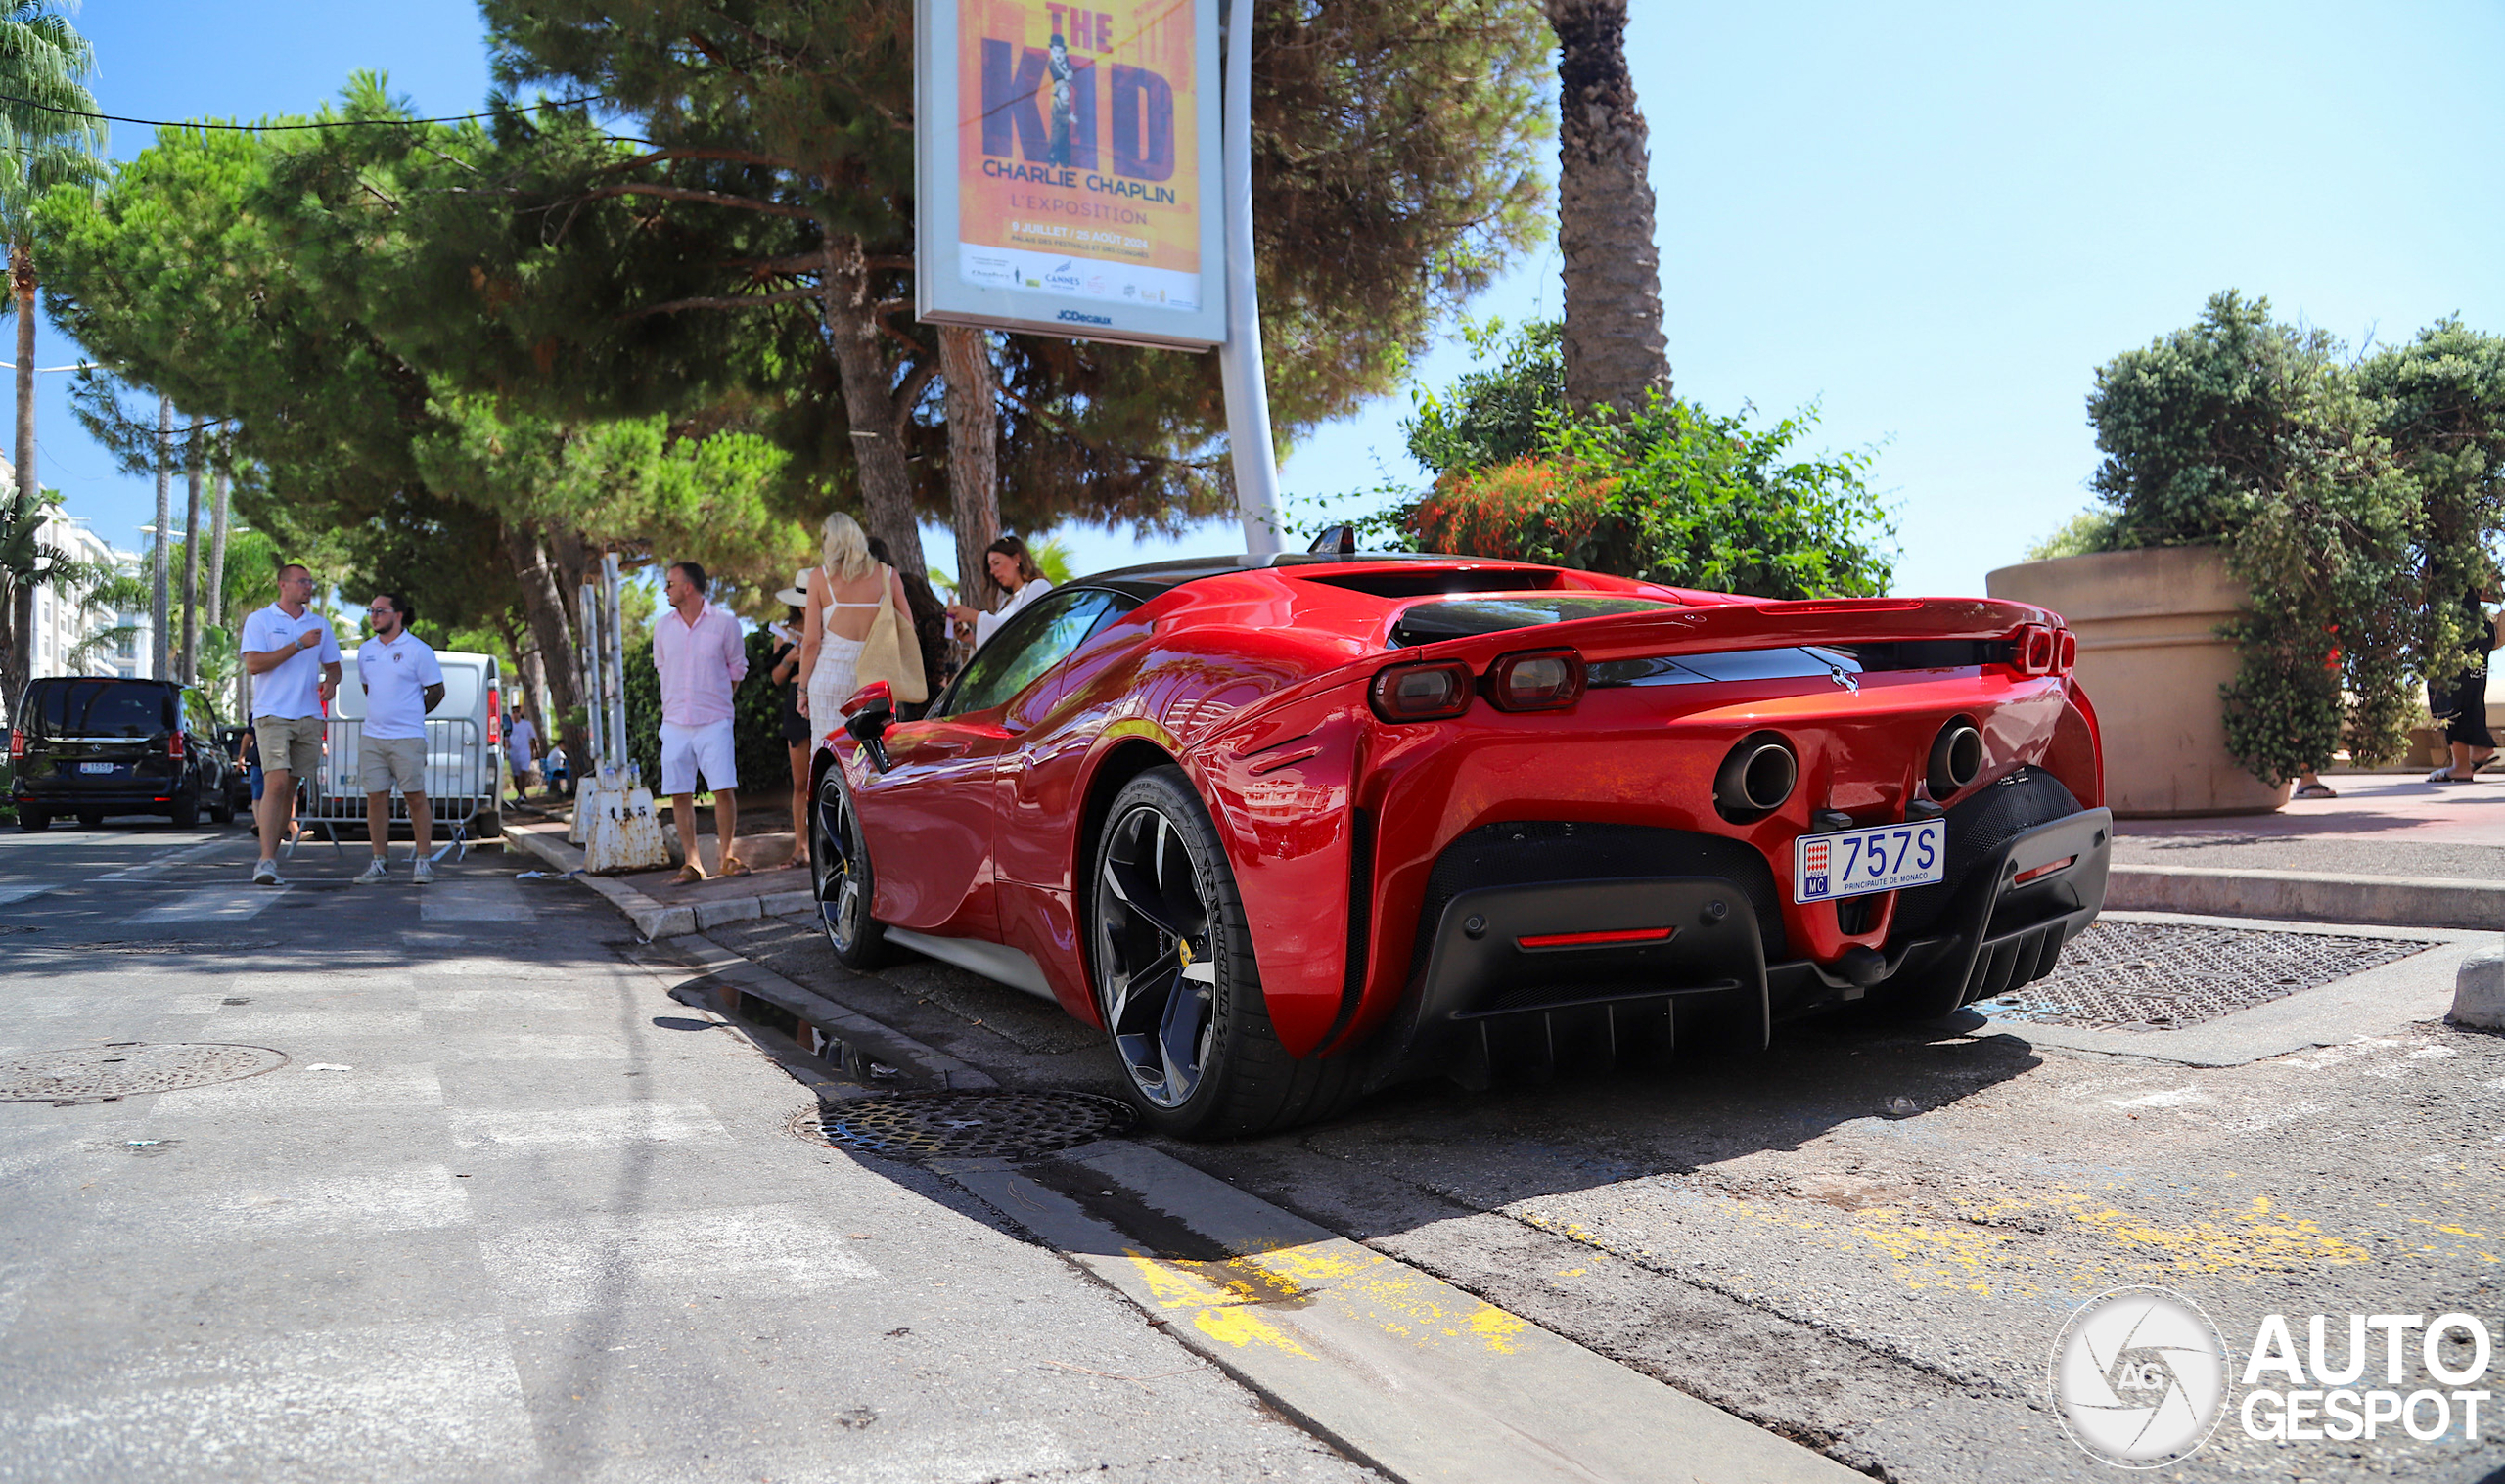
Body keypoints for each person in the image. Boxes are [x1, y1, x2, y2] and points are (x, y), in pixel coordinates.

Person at [239, 562, 342, 885]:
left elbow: (335, 667)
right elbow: (254, 664)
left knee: (290, 790)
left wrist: (332, 683)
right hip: (272, 714)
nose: (308, 587)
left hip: (309, 715)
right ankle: (265, 861)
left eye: (310, 582)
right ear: (283, 585)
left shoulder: (319, 624)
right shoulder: (261, 620)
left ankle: (273, 856)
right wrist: (297, 644)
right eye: (302, 582)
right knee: (277, 783)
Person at [654, 560, 751, 881]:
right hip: (675, 722)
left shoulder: (725, 623)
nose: (665, 589)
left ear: (688, 587)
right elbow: (662, 669)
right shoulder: (663, 627)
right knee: (678, 792)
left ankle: (727, 857)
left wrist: (718, 700)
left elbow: (737, 670)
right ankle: (692, 862)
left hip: (715, 720)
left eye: (670, 583)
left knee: (723, 789)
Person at [352, 591, 446, 885]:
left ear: (398, 615)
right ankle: (379, 861)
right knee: (375, 797)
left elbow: (436, 691)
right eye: (371, 610)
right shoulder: (365, 651)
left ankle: (422, 861)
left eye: (380, 610)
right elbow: (369, 688)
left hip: (407, 737)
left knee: (415, 797)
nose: (374, 616)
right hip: (372, 737)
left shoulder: (418, 649)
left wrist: (413, 713)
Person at [797, 514, 915, 729]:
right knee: (871, 754)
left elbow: (812, 641)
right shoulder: (888, 575)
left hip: (829, 678)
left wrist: (802, 690)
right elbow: (907, 629)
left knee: (828, 754)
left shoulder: (818, 578)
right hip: (875, 679)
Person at [865, 535, 956, 702]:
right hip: (924, 695)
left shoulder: (930, 625)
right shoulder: (936, 623)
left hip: (925, 698)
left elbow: (937, 672)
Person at [2429, 576, 2502, 783]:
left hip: (2451, 629)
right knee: (2472, 691)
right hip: (2479, 629)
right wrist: (2472, 592)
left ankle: (2461, 765)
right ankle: (2479, 747)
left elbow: (2416, 595)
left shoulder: (2436, 552)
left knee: (2446, 694)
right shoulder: (2477, 554)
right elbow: (2496, 594)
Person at [769, 576, 811, 871]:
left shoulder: (834, 623)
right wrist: (790, 658)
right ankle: (801, 847)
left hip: (824, 697)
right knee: (801, 781)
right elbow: (774, 677)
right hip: (796, 701)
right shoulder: (784, 632)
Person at [944, 536, 1053, 650]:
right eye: (990, 567)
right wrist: (971, 639)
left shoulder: (1039, 586)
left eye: (996, 563)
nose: (992, 571)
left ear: (1016, 558)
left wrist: (974, 616)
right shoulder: (1005, 603)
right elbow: (1005, 646)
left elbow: (1023, 633)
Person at [506, 710, 540, 804]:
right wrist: (506, 751)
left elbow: (533, 738)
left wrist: (535, 751)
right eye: (513, 713)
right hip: (513, 752)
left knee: (523, 773)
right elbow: (506, 739)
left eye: (516, 712)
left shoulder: (526, 724)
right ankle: (520, 793)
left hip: (524, 752)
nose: (515, 714)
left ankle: (522, 793)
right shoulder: (510, 725)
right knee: (516, 775)